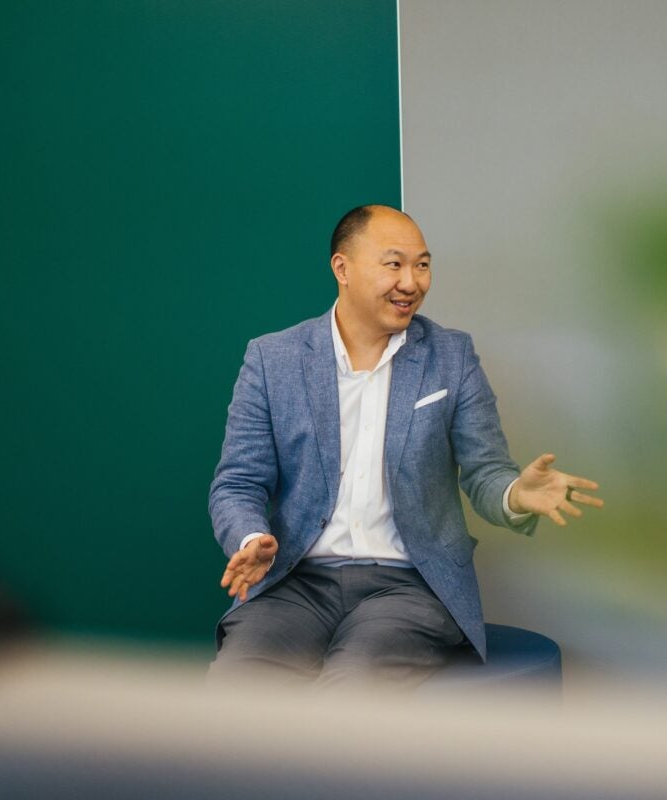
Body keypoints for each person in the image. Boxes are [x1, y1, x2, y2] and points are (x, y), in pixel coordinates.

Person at [207, 205, 602, 688]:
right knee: (236, 688)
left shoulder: (450, 357)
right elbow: (237, 483)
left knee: (350, 692)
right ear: (342, 268)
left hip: (409, 585)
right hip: (296, 583)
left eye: (422, 264)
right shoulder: (274, 359)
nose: (412, 282)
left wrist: (515, 494)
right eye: (394, 264)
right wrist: (252, 539)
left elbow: (485, 471)